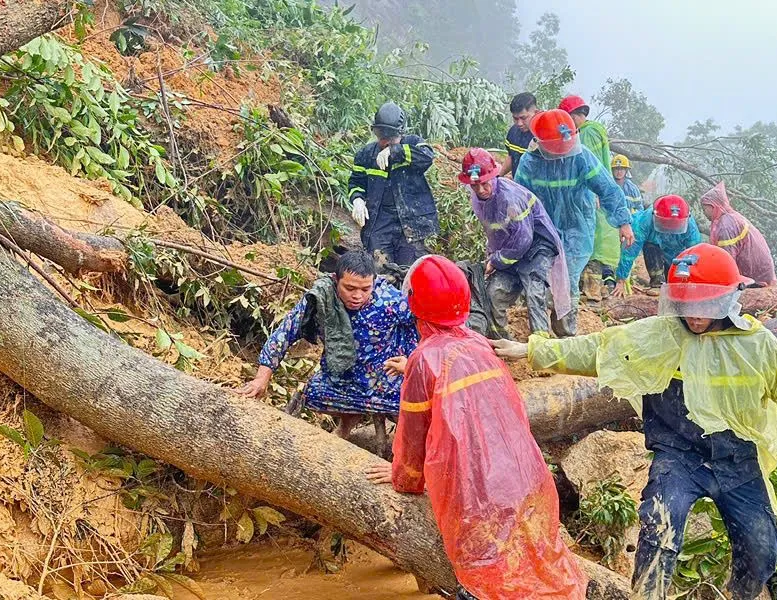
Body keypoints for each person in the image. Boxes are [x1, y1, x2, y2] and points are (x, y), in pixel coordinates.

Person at [492, 243, 777, 600]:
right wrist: (532, 350)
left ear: (726, 300)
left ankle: (738, 594)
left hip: (737, 459)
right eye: (686, 304)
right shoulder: (660, 335)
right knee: (658, 526)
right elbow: (600, 348)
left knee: (763, 549)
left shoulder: (756, 344)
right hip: (679, 455)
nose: (694, 316)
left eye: (705, 305)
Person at [365, 255, 588, 600]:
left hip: (475, 489)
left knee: (486, 576)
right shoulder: (480, 344)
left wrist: (404, 478)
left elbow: (413, 437)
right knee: (537, 567)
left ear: (415, 305)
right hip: (524, 476)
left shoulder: (424, 360)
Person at [237, 251, 417, 451]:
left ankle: (403, 457)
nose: (358, 296)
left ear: (374, 282)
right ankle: (347, 424)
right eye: (350, 288)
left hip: (385, 381)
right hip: (341, 379)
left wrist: (413, 364)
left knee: (411, 414)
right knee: (313, 394)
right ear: (335, 280)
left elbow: (429, 326)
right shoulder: (322, 298)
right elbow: (286, 331)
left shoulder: (391, 301)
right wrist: (261, 378)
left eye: (366, 289)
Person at [515, 109, 634, 335]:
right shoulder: (530, 163)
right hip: (542, 230)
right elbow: (519, 202)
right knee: (538, 280)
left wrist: (623, 221)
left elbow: (607, 188)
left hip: (576, 228)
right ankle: (539, 339)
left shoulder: (581, 156)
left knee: (567, 280)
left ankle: (565, 337)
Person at [458, 148, 571, 338]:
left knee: (535, 293)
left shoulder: (510, 198)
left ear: (494, 176)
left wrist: (496, 261)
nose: (480, 190)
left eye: (484, 184)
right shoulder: (478, 199)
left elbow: (523, 239)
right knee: (494, 293)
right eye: (475, 185)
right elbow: (493, 231)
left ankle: (543, 345)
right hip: (508, 249)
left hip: (537, 245)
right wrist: (492, 256)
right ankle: (500, 342)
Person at [349, 101, 438, 267]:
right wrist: (357, 200)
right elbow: (356, 182)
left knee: (409, 272)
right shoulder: (366, 155)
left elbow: (427, 156)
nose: (385, 142)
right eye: (381, 136)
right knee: (380, 271)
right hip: (379, 221)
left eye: (390, 138)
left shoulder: (412, 144)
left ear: (400, 133)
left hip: (411, 222)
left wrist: (397, 151)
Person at [559, 95, 620, 297]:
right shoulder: (595, 129)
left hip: (591, 195)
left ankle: (589, 292)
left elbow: (591, 166)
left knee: (590, 242)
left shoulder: (588, 133)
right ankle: (588, 290)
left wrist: (594, 191)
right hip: (594, 194)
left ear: (574, 116)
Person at [612, 194, 701, 296]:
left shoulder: (690, 227)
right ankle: (657, 282)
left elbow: (696, 253)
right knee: (650, 248)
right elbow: (630, 251)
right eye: (667, 224)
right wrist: (621, 279)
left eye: (674, 225)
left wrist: (697, 282)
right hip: (654, 247)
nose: (670, 228)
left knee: (675, 278)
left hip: (677, 252)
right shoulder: (643, 222)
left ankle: (675, 287)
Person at [701, 181, 777, 286]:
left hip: (756, 279)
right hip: (760, 273)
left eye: (705, 208)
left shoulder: (726, 227)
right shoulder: (730, 218)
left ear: (713, 206)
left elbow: (726, 261)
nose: (704, 213)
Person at [499, 92, 538, 178]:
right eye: (515, 118)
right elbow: (512, 157)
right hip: (519, 187)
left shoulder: (545, 135)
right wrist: (498, 176)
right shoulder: (513, 132)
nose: (519, 123)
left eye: (523, 118)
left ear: (536, 112)